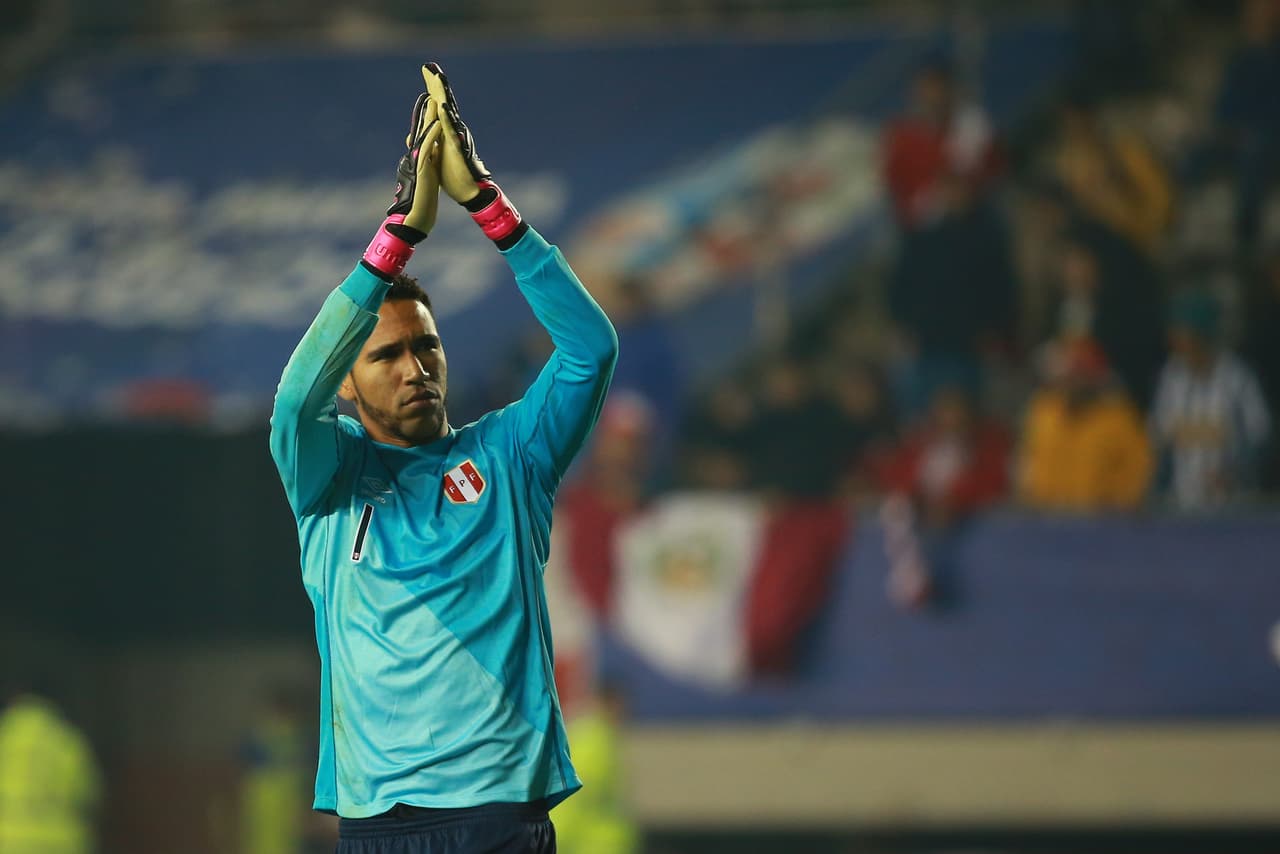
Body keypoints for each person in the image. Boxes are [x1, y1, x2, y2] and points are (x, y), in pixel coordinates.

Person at [268, 63, 618, 854]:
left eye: (426, 346)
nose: (414, 367)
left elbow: (590, 349)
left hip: (498, 817)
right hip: (377, 823)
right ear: (346, 383)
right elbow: (293, 402)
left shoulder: (511, 455)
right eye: (386, 355)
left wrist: (488, 206)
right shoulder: (329, 478)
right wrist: (397, 237)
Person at [1151, 288, 1271, 509]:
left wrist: (1235, 472)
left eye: (1182, 334)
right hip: (1181, 506)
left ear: (1201, 335)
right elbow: (1158, 438)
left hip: (1234, 507)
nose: (1175, 342)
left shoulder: (1238, 378)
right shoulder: (1171, 377)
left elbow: (1260, 437)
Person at [1018, 338, 1153, 511]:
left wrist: (1117, 506)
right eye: (1071, 374)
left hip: (1101, 519)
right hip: (1045, 516)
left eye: (1082, 374)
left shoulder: (1119, 418)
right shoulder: (1044, 410)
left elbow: (1138, 472)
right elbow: (1026, 462)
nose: (1075, 381)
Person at [0, 676, 101, 854]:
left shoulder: (5, 734)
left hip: (7, 842)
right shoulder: (67, 739)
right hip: (61, 844)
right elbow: (89, 793)